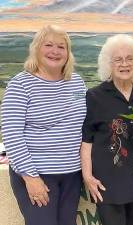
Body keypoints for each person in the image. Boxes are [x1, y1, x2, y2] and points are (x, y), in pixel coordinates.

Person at [1, 25, 86, 225]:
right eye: (48, 45)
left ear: (68, 52)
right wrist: (31, 178)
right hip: (37, 175)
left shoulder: (77, 83)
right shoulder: (20, 85)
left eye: (61, 47)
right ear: (36, 49)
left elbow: (84, 124)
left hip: (72, 175)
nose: (55, 51)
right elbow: (12, 135)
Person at [80, 34, 133, 225]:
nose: (125, 64)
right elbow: (86, 141)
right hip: (108, 181)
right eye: (118, 59)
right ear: (109, 64)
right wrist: (87, 176)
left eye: (129, 58)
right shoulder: (95, 96)